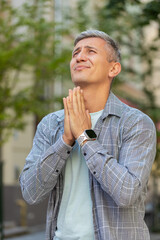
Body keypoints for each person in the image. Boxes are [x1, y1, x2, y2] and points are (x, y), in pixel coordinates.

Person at [20, 30, 156, 240]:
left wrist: (85, 137)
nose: (79, 57)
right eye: (75, 53)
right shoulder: (50, 124)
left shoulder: (136, 123)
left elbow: (127, 193)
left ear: (113, 68)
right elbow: (30, 193)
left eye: (90, 51)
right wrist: (65, 141)